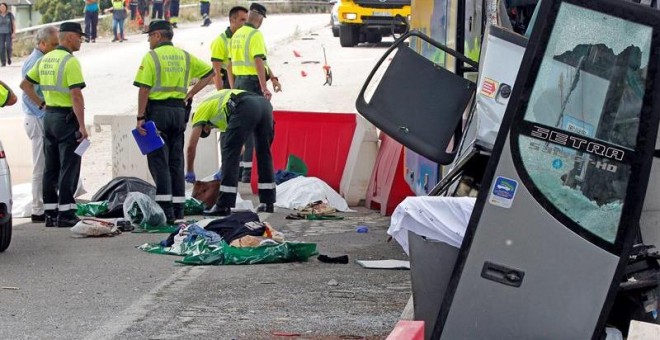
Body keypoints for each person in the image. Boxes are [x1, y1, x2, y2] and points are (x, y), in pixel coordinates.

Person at [133, 20, 214, 223]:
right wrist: (190, 94)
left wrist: (140, 117)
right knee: (176, 161)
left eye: (150, 36)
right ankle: (178, 210)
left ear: (158, 35)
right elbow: (210, 73)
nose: (149, 40)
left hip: (157, 114)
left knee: (159, 161)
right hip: (178, 112)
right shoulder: (184, 56)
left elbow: (144, 89)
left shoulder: (151, 57)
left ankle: (165, 210)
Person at [20, 22, 88, 228]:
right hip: (66, 118)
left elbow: (25, 85)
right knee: (69, 165)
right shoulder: (70, 61)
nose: (81, 41)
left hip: (49, 117)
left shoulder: (45, 59)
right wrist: (83, 126)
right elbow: (76, 95)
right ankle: (66, 213)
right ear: (68, 38)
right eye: (79, 37)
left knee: (51, 167)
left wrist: (42, 104)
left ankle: (50, 213)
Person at [186, 89, 276, 215]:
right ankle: (268, 202)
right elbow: (241, 148)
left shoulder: (200, 111)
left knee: (229, 153)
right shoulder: (221, 113)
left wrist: (190, 170)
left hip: (243, 104)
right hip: (264, 105)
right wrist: (224, 169)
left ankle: (223, 205)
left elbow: (191, 146)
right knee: (264, 153)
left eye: (208, 127)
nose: (210, 128)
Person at [228, 2, 282, 183]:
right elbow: (258, 61)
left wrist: (272, 77)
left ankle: (242, 172)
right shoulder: (255, 35)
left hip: (239, 83)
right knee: (261, 128)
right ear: (260, 19)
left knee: (242, 127)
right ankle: (249, 175)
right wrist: (264, 86)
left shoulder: (237, 34)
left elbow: (231, 64)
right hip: (252, 84)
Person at [20, 26, 59, 223]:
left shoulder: (43, 59)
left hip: (40, 117)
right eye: (53, 45)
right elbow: (27, 92)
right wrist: (43, 108)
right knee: (40, 165)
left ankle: (47, 203)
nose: (56, 48)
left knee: (47, 165)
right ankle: (37, 208)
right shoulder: (34, 62)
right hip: (36, 119)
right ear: (42, 44)